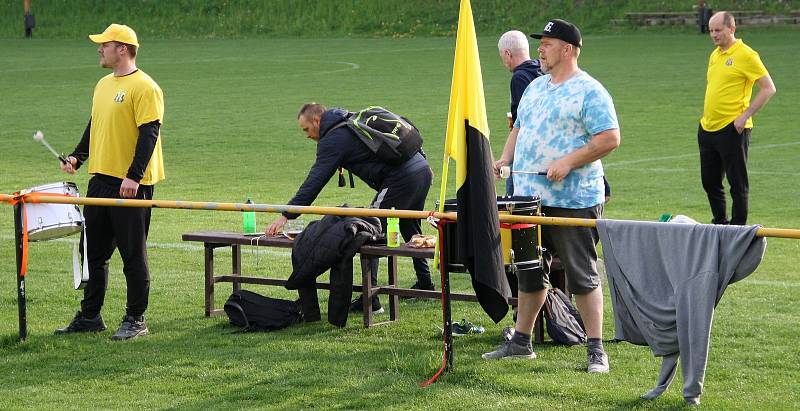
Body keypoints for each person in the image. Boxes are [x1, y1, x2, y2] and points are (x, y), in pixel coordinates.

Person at [485, 19, 620, 373]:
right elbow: (518, 127)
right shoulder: (535, 88)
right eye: (540, 43)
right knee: (530, 273)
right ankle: (521, 342)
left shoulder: (590, 91)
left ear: (569, 49)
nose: (541, 49)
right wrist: (504, 159)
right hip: (530, 200)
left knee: (583, 276)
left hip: (574, 200)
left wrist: (569, 161)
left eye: (547, 43)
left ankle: (596, 350)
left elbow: (609, 138)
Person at [266, 103, 435, 313]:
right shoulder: (350, 120)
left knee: (370, 231)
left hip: (404, 177)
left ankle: (371, 302)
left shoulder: (333, 139)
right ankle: (426, 285)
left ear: (317, 121)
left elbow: (314, 181)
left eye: (306, 129)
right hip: (422, 169)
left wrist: (286, 215)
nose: (307, 135)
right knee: (410, 227)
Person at [55, 24, 165, 340]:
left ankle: (136, 319)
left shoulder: (146, 87)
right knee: (95, 253)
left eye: (104, 44)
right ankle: (90, 316)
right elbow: (96, 125)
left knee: (133, 254)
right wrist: (77, 157)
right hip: (100, 181)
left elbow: (149, 133)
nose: (99, 49)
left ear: (122, 49)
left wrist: (133, 175)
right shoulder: (103, 85)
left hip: (131, 183)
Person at [698, 11, 775, 226]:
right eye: (711, 31)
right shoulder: (715, 54)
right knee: (709, 182)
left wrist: (744, 117)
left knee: (737, 183)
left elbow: (768, 88)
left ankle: (738, 229)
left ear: (731, 29)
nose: (713, 35)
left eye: (718, 30)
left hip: (733, 129)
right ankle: (720, 223)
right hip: (708, 128)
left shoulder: (747, 55)